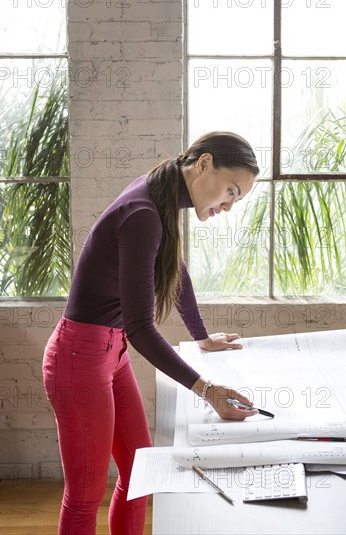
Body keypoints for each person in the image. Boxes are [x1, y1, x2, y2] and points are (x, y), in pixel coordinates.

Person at [42, 131, 260, 535]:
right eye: (230, 191)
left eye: (237, 199)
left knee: (140, 474)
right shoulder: (144, 212)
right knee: (85, 495)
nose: (228, 206)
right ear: (205, 163)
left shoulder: (160, 195)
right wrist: (207, 389)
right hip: (79, 358)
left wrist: (202, 336)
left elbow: (176, 271)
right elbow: (142, 328)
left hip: (110, 351)